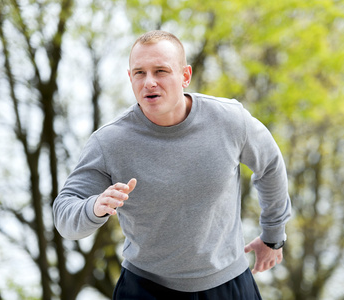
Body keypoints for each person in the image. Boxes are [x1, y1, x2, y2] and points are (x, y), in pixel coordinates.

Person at [53, 30, 291, 299]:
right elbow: (64, 217)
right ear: (130, 78)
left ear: (185, 76)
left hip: (229, 284)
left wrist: (273, 235)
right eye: (140, 73)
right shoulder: (109, 143)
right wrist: (94, 207)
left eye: (161, 71)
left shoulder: (230, 120)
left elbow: (270, 165)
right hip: (146, 288)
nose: (149, 82)